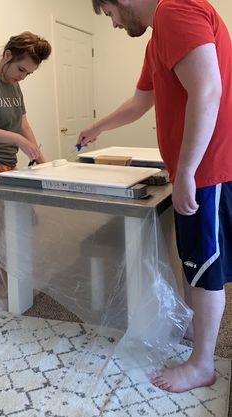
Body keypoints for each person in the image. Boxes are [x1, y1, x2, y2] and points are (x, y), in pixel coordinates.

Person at [77, 0, 232, 393]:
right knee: (194, 260)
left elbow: (208, 89)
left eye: (108, 12)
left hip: (208, 169)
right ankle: (195, 334)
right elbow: (138, 103)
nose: (112, 23)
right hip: (202, 168)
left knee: (205, 267)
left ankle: (202, 364)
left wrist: (185, 171)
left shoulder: (174, 11)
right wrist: (97, 128)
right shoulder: (158, 36)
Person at [0, 31, 51, 174]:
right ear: (7, 55)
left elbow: (24, 126)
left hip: (8, 164)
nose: (23, 77)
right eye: (21, 69)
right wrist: (18, 139)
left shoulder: (14, 85)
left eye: (28, 73)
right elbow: (20, 135)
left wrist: (42, 164)